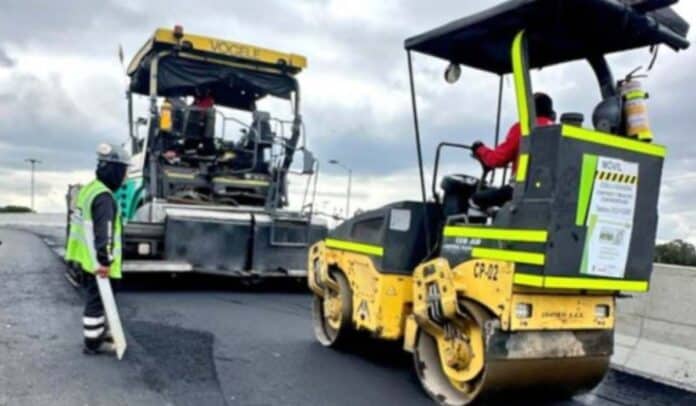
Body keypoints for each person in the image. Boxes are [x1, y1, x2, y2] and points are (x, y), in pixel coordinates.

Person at [65, 143, 130, 355]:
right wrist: (105, 261)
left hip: (86, 259)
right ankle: (92, 343)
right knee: (96, 301)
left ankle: (100, 332)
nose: (125, 177)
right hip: (97, 263)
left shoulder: (90, 189)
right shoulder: (104, 198)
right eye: (124, 172)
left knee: (96, 298)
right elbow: (105, 232)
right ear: (115, 171)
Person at [470, 92, 556, 210]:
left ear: (529, 109)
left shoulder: (524, 128)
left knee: (475, 199)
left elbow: (497, 160)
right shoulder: (558, 131)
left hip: (520, 191)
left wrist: (480, 149)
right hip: (548, 193)